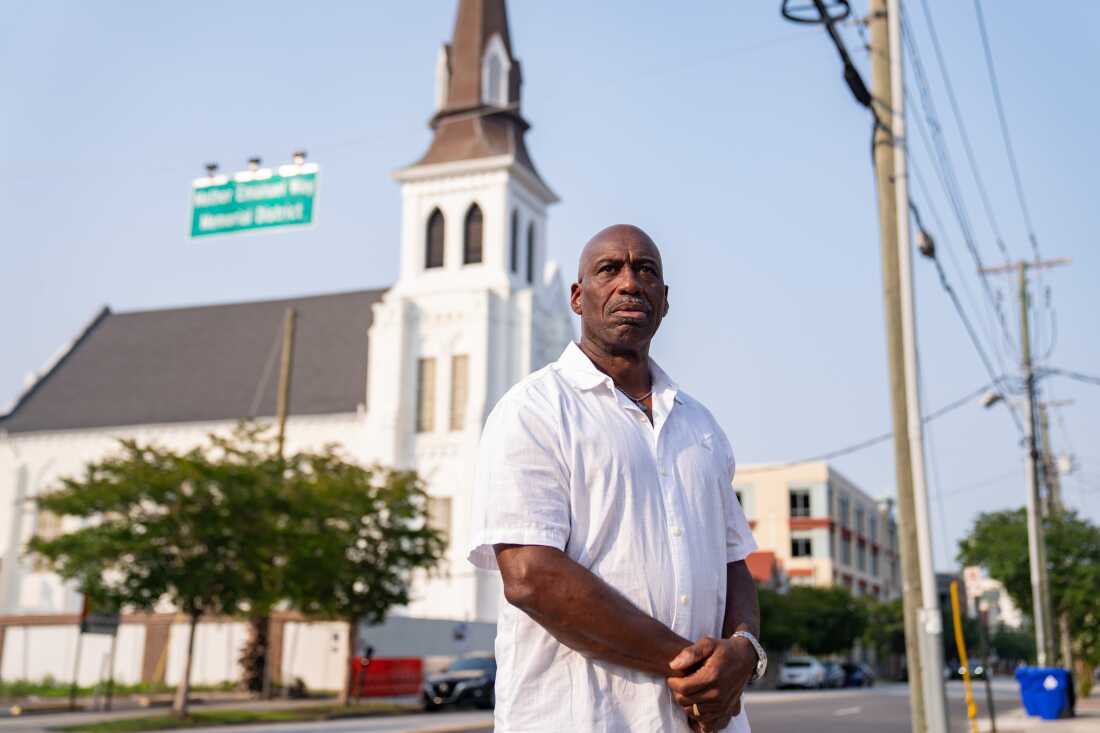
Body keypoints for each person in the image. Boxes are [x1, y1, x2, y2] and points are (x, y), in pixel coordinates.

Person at [468, 224, 765, 732]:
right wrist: (692, 669)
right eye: (610, 269)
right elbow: (529, 575)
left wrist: (744, 649)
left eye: (645, 270)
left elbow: (733, 560)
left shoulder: (700, 426)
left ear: (664, 300)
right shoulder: (533, 411)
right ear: (578, 297)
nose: (630, 282)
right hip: (583, 719)